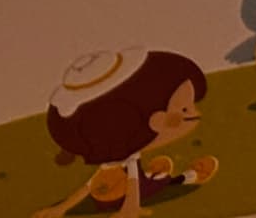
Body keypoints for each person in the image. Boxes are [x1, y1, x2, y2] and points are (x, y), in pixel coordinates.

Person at [34, 49, 219, 218]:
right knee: (162, 182)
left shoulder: (123, 160)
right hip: (127, 190)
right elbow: (93, 185)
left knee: (160, 180)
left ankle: (183, 174)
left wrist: (130, 207)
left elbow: (111, 184)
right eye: (184, 109)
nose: (196, 114)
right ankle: (185, 174)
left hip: (128, 189)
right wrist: (61, 208)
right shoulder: (118, 161)